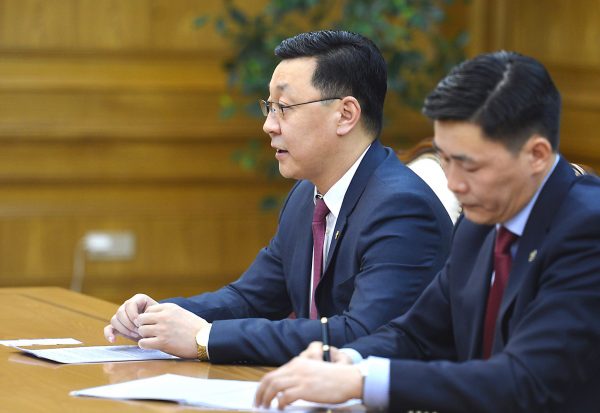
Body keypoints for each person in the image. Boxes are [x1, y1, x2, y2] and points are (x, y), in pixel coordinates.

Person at [255, 51, 600, 411]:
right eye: (445, 160)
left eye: (470, 166)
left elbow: (525, 379)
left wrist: (361, 381)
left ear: (537, 155)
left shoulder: (588, 229)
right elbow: (417, 335)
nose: (454, 184)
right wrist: (348, 360)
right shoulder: (480, 223)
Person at [103, 30, 453, 365]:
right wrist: (160, 316)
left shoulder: (402, 208)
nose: (269, 125)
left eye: (284, 107)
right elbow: (251, 298)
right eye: (269, 107)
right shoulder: (306, 195)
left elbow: (362, 335)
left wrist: (205, 338)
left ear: (345, 115)